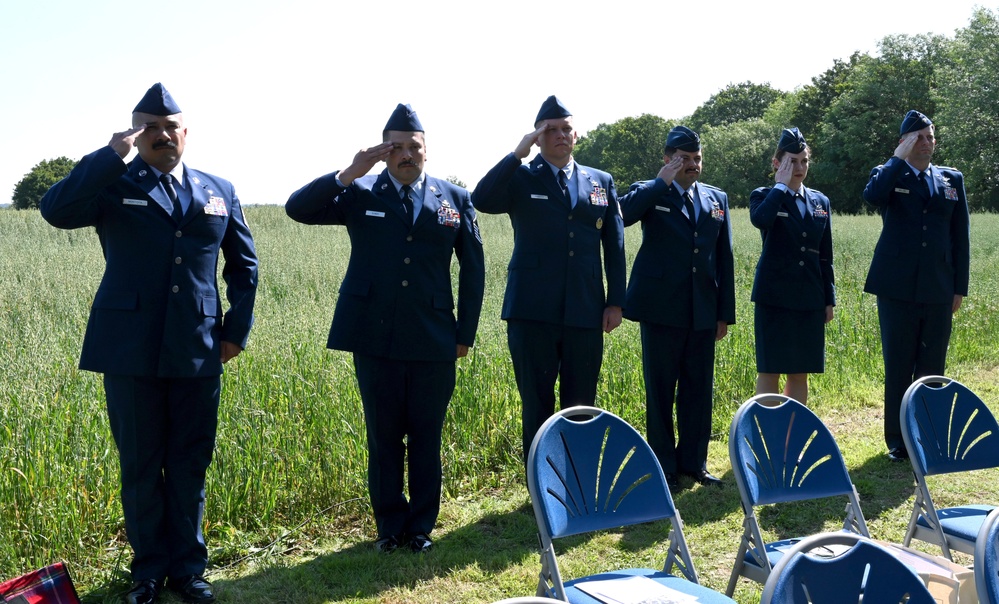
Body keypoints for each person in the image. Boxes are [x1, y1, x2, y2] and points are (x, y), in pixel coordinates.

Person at [40, 83, 258, 604]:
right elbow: (55, 208)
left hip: (199, 347)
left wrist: (234, 332)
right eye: (149, 129)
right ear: (138, 136)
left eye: (170, 127)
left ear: (187, 133)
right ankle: (148, 573)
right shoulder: (112, 185)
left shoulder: (217, 189)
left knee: (189, 462)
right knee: (140, 464)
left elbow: (244, 267)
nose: (162, 136)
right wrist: (110, 154)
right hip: (129, 348)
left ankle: (189, 570)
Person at [285, 104, 485, 553]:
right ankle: (389, 528)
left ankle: (421, 528)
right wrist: (350, 170)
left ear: (427, 151)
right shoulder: (360, 192)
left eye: (414, 146)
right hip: (373, 335)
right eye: (395, 147)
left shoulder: (455, 198)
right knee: (384, 434)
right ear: (383, 152)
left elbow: (473, 270)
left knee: (427, 434)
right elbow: (298, 209)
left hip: (435, 336)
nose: (406, 154)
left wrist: (464, 334)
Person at [471, 95, 626, 459]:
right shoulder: (522, 178)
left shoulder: (599, 181)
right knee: (537, 401)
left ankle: (579, 477)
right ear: (537, 138)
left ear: (576, 135)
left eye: (566, 128)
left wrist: (615, 301)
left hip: (586, 309)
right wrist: (516, 154)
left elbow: (614, 245)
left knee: (581, 401)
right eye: (549, 130)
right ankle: (540, 484)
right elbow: (482, 198)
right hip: (531, 310)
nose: (560, 135)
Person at [618, 126, 735, 491]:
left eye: (697, 159)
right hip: (661, 309)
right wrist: (660, 183)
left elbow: (725, 258)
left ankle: (694, 463)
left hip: (702, 309)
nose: (693, 165)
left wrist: (723, 313)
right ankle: (664, 465)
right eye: (685, 159)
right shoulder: (650, 191)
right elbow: (622, 216)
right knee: (661, 389)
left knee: (699, 389)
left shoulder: (716, 199)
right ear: (668, 159)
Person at [863, 110, 970, 462]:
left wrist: (959, 287)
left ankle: (928, 434)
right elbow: (873, 196)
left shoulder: (951, 179)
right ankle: (897, 439)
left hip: (938, 287)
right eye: (918, 138)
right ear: (904, 142)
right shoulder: (888, 175)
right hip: (896, 288)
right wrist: (898, 157)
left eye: (930, 136)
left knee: (932, 364)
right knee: (899, 363)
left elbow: (960, 238)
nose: (927, 143)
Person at [749, 128, 835, 405]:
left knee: (799, 372)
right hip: (773, 296)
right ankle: (769, 432)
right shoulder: (764, 196)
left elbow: (825, 255)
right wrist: (781, 186)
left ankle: (790, 433)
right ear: (777, 163)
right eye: (791, 161)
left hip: (809, 296)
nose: (799, 168)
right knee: (770, 369)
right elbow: (761, 220)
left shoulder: (820, 202)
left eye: (804, 161)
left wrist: (828, 299)